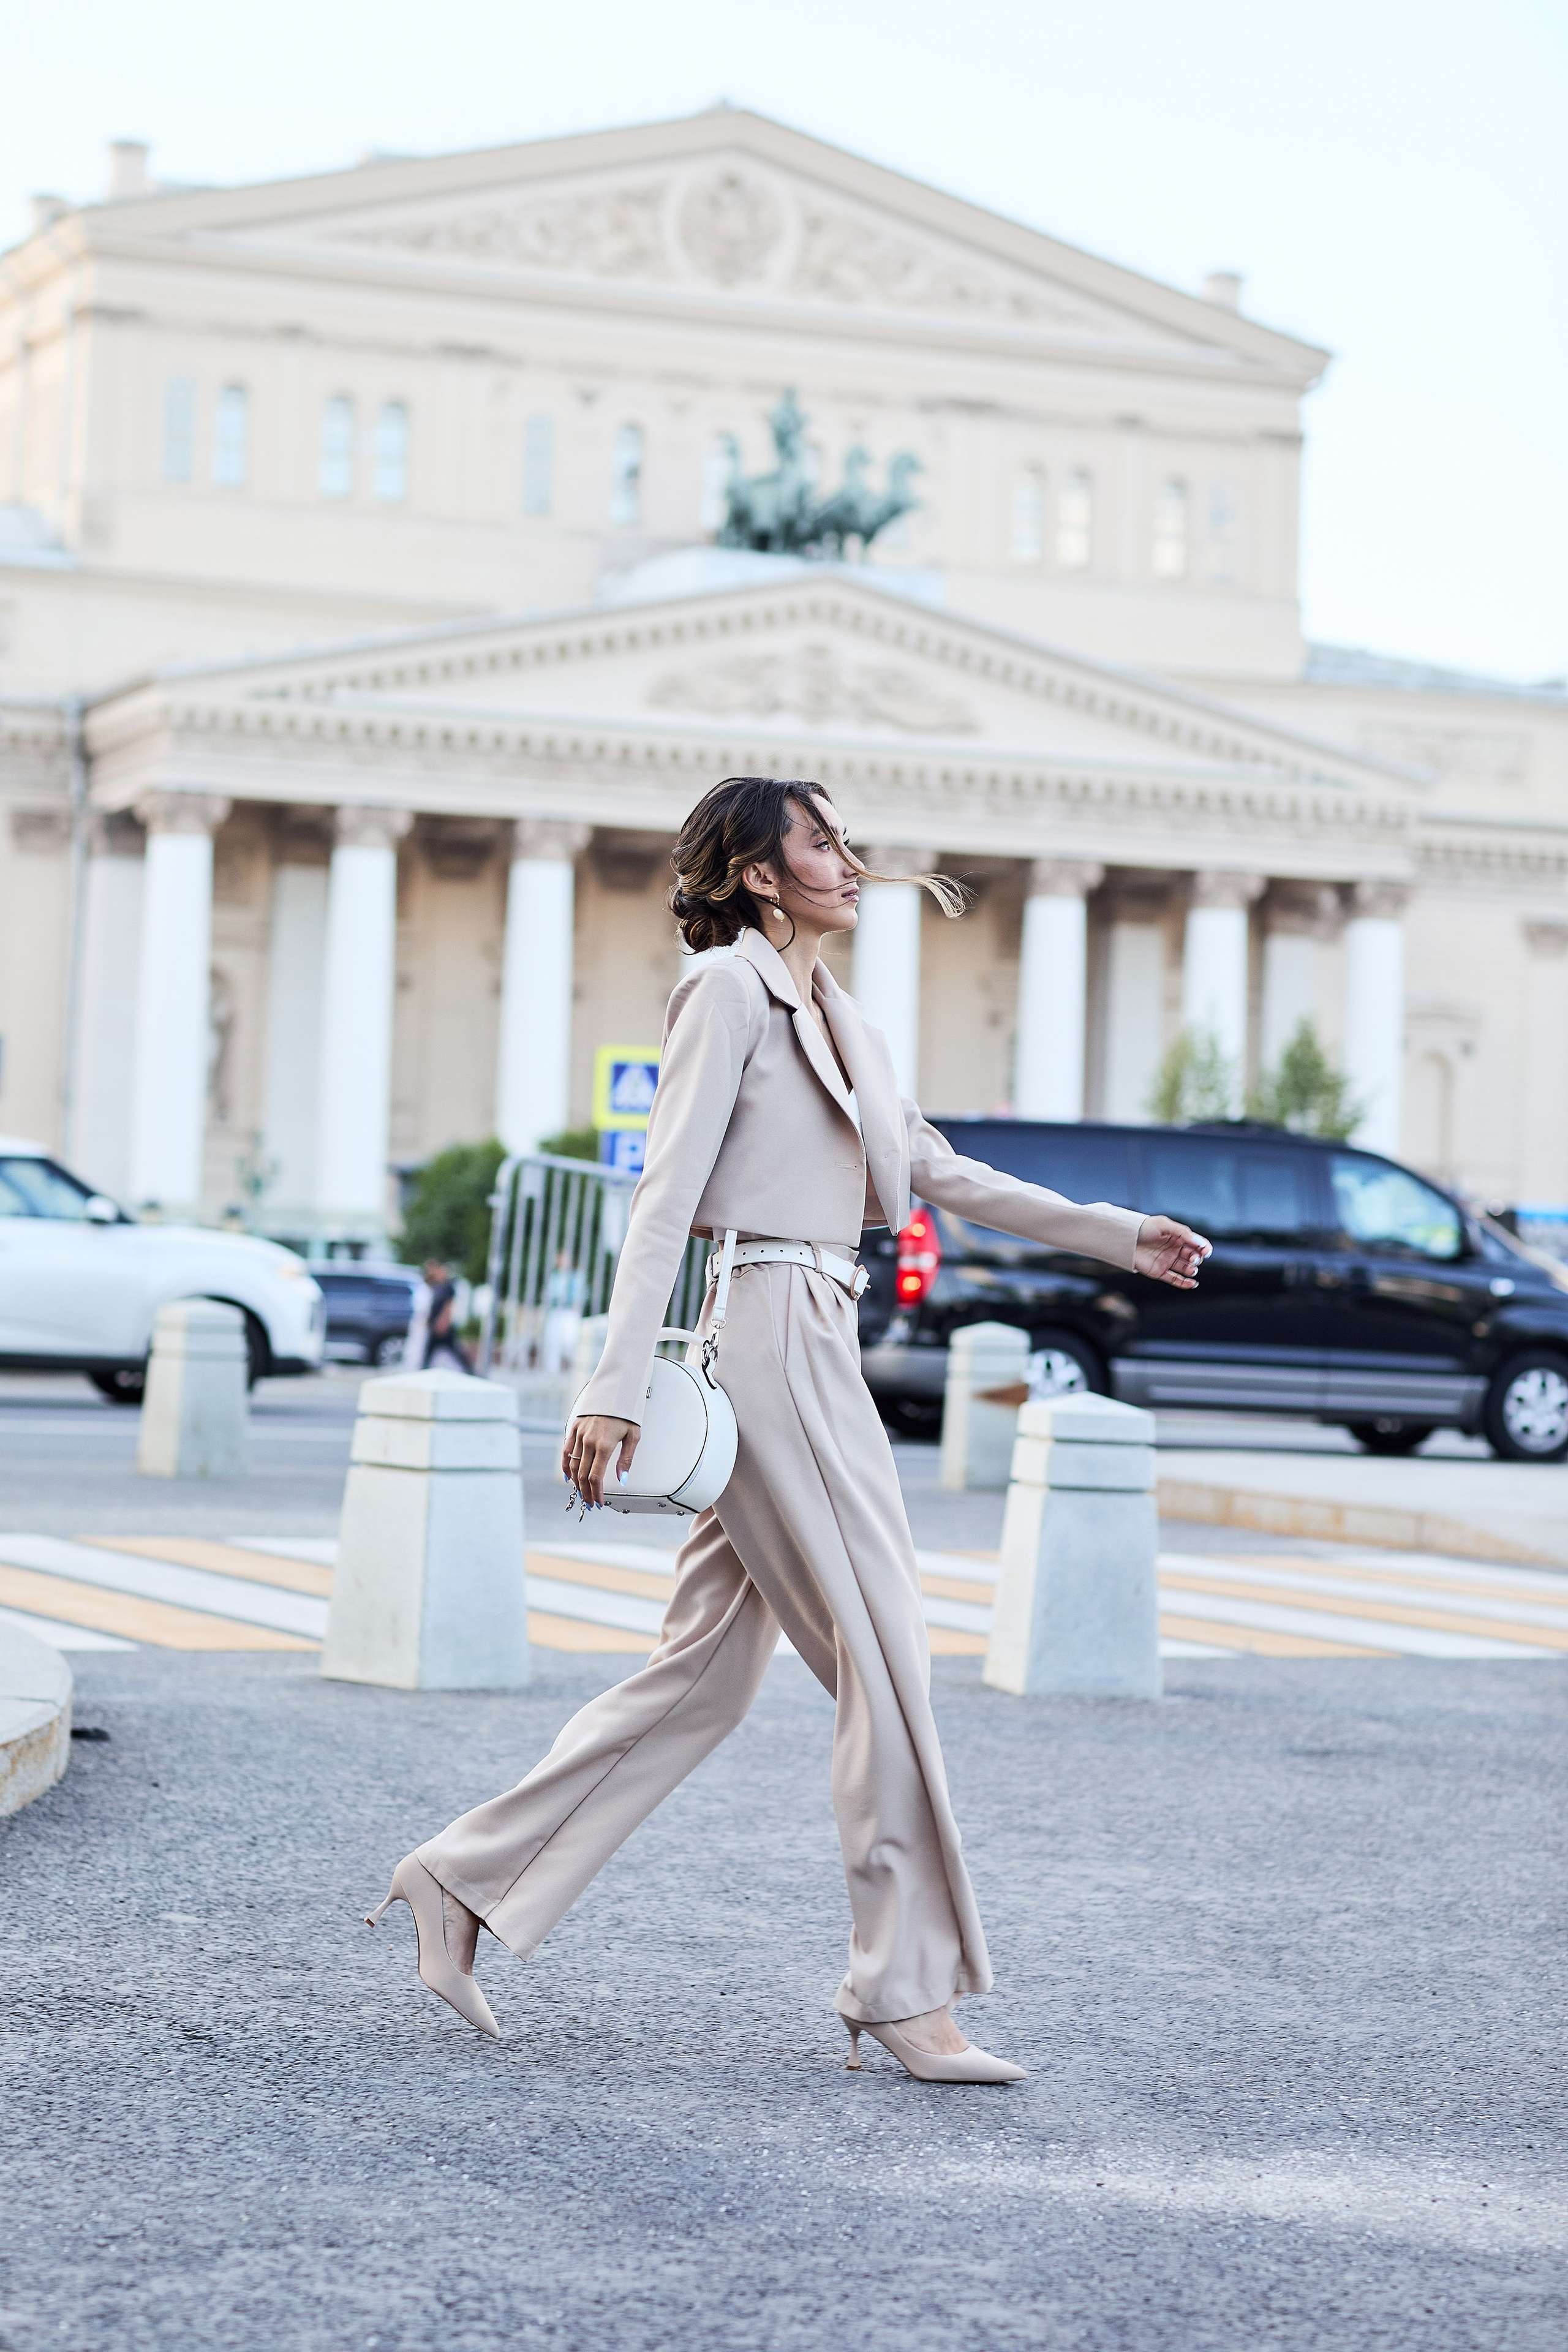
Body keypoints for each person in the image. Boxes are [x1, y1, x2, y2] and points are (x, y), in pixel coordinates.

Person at [366, 775, 1210, 2074]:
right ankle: (902, 1989)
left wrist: (1117, 1235)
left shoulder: (844, 1020)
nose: (848, 862)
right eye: (819, 843)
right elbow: (666, 1189)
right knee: (882, 1664)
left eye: (844, 841)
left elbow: (934, 1170)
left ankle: (460, 1880)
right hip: (765, 1328)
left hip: (818, 1330)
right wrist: (610, 1383)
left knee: (701, 1677)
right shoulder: (727, 991)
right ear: (760, 874)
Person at [420, 1260, 472, 1373]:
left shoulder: (448, 1287)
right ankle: (423, 1370)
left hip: (442, 1324)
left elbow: (448, 1306)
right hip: (434, 1324)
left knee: (453, 1351)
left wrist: (443, 1322)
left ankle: (470, 1371)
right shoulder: (436, 1285)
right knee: (430, 1351)